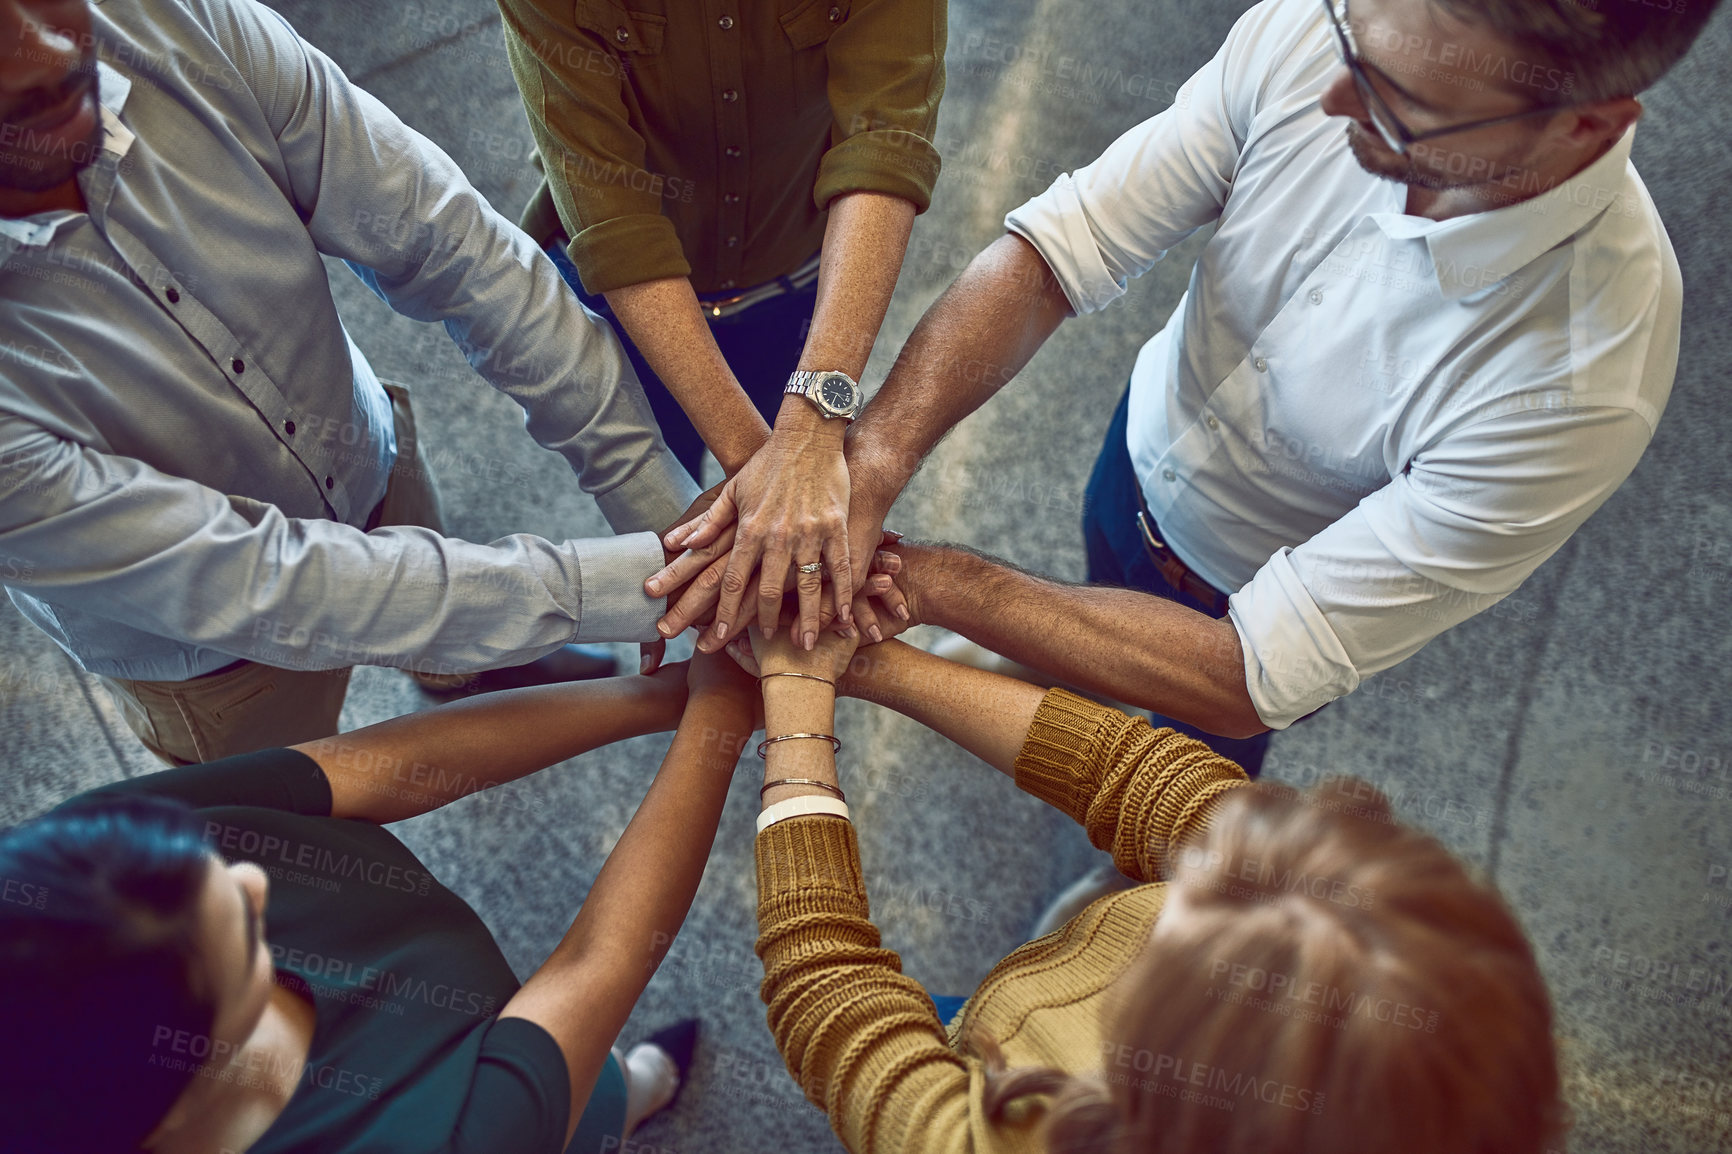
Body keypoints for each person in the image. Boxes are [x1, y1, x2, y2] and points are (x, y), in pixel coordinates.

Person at [653, 0, 1717, 924]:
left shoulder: (1581, 378)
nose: (1335, 97)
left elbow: (1241, 674)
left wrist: (924, 581)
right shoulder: (1329, 41)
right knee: (1099, 553)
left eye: (1399, 105)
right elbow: (1051, 255)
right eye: (1350, 28)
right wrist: (867, 465)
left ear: (1583, 125)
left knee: (1182, 772)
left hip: (1228, 606)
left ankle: (1132, 879)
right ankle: (1057, 653)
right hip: (1142, 446)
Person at [0, 0, 725, 766]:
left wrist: (689, 535)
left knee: (453, 606)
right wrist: (641, 587)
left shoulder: (166, 16)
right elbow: (267, 584)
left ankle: (460, 670)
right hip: (215, 666)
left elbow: (452, 247)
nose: (52, 52)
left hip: (368, 453)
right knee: (294, 842)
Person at [736, 617, 1566, 1153]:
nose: (1177, 878)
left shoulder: (1005, 1141)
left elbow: (832, 994)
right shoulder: (1354, 931)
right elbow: (1136, 781)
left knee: (935, 1040)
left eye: (1183, 925)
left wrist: (798, 705)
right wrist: (870, 665)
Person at [0, 648, 765, 1154]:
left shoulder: (86, 863)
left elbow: (370, 769)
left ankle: (621, 1092)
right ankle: (623, 1100)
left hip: (513, 1085)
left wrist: (663, 695)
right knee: (576, 1100)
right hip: (516, 1115)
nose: (249, 877)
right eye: (234, 937)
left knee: (583, 1082)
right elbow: (597, 964)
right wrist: (721, 718)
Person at [494, 0, 946, 650]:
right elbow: (614, 219)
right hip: (627, 310)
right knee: (666, 520)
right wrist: (775, 481)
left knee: (774, 508)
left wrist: (807, 434)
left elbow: (883, 144)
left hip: (797, 281)